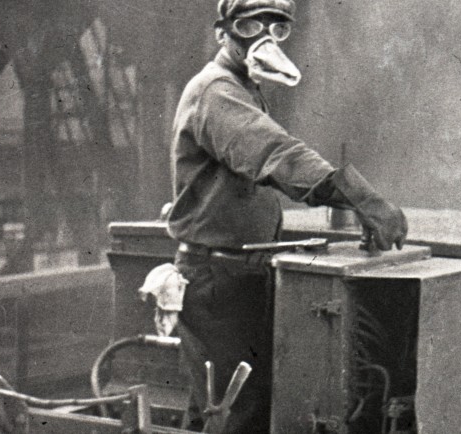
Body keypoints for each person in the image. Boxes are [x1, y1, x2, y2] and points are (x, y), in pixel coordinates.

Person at [165, 0, 408, 431]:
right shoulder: (217, 92)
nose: (263, 37)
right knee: (240, 412)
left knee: (222, 406)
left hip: (234, 276)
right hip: (217, 281)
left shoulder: (242, 89)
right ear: (223, 33)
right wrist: (360, 198)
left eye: (277, 28)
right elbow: (275, 153)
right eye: (249, 25)